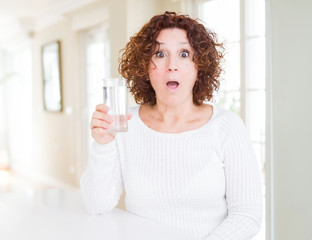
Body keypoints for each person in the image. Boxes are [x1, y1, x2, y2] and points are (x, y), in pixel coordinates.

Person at [80, 11, 263, 240]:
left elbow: (248, 214)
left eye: (184, 54)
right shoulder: (125, 123)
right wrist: (103, 145)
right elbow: (96, 205)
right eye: (160, 54)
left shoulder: (226, 127)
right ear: (145, 66)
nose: (172, 66)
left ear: (200, 66)